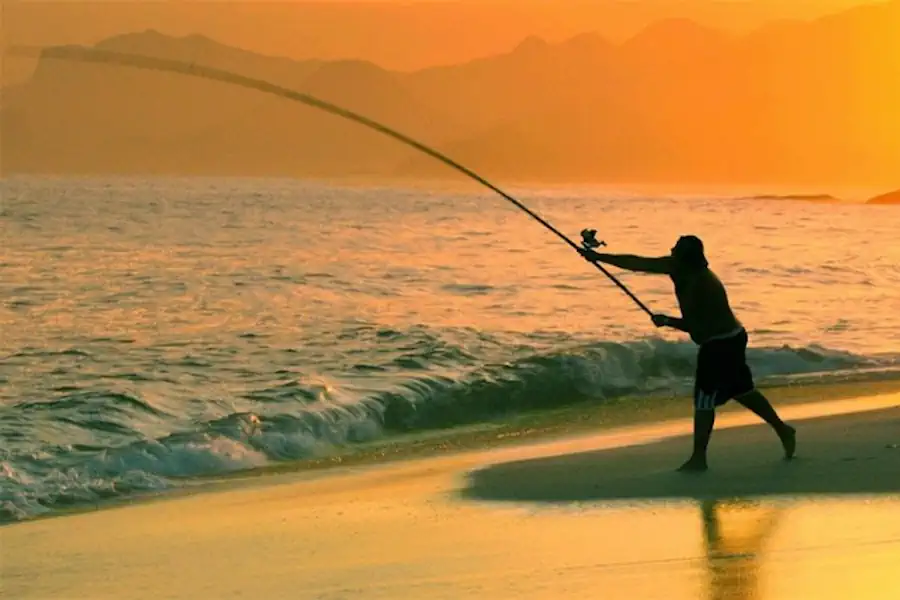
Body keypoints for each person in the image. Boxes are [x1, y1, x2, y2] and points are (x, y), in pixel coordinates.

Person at [579, 235, 796, 472]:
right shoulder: (679, 268)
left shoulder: (701, 285)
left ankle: (698, 458)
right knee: (741, 390)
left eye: (676, 250)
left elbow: (697, 326)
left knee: (704, 400)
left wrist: (668, 321)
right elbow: (639, 263)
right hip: (731, 338)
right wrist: (598, 257)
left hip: (720, 344)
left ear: (685, 259)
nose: (671, 251)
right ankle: (783, 429)